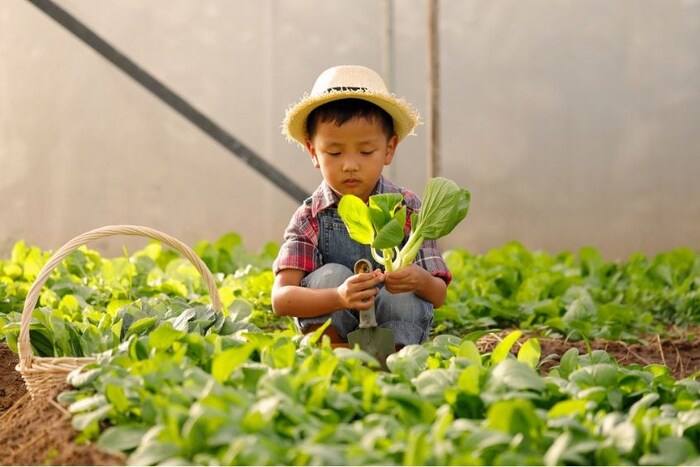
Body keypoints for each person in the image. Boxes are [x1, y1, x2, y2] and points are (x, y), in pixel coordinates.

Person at [271, 65, 451, 346]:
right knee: (330, 276)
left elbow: (438, 295)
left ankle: (395, 357)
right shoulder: (310, 217)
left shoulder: (409, 208)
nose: (350, 165)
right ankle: (336, 352)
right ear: (312, 152)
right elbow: (281, 299)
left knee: (402, 296)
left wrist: (420, 280)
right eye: (334, 152)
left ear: (389, 149)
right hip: (334, 334)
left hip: (396, 334)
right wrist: (338, 296)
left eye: (366, 151)